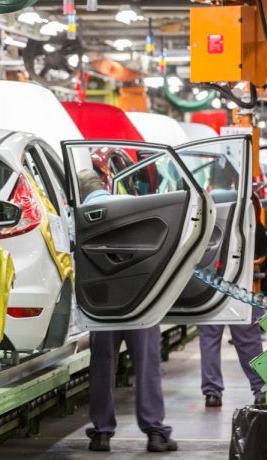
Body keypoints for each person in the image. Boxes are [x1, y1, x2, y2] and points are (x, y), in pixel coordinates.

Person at [77, 170, 178, 453]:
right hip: (140, 300)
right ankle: (155, 432)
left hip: (101, 305)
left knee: (102, 367)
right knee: (147, 367)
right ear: (104, 185)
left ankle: (101, 434)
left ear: (81, 193)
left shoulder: (79, 215)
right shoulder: (132, 205)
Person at [199, 319, 265, 407]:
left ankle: (212, 394)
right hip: (240, 309)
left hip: (210, 309)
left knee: (209, 339)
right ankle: (261, 391)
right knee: (248, 340)